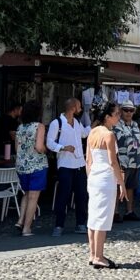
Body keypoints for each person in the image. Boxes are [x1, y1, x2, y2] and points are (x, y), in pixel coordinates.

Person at [85, 102, 126, 269]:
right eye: (116, 114)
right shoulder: (108, 135)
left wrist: (90, 178)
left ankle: (93, 253)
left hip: (94, 175)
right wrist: (121, 183)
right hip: (105, 177)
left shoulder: (93, 132)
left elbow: (88, 160)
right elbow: (113, 162)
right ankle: (99, 256)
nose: (119, 117)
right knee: (102, 216)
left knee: (93, 216)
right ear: (107, 117)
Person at [47, 97, 89, 237]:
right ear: (73, 108)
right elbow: (49, 143)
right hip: (65, 165)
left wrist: (95, 123)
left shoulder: (76, 122)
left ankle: (81, 223)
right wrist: (63, 148)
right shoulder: (56, 123)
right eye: (79, 106)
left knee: (81, 195)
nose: (80, 109)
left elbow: (84, 133)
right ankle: (59, 225)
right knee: (63, 196)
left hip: (79, 164)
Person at [14, 103, 49, 237]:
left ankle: (20, 220)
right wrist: (46, 150)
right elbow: (39, 146)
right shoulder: (39, 127)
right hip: (37, 165)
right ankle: (27, 228)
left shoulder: (20, 128)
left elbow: (17, 149)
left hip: (22, 165)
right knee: (34, 196)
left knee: (27, 193)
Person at [113, 101, 140, 222]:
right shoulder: (116, 124)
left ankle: (129, 211)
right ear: (121, 111)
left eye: (131, 110)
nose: (128, 113)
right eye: (126, 110)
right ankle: (115, 212)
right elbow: (119, 141)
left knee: (131, 187)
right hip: (122, 161)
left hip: (134, 161)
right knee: (117, 187)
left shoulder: (135, 125)